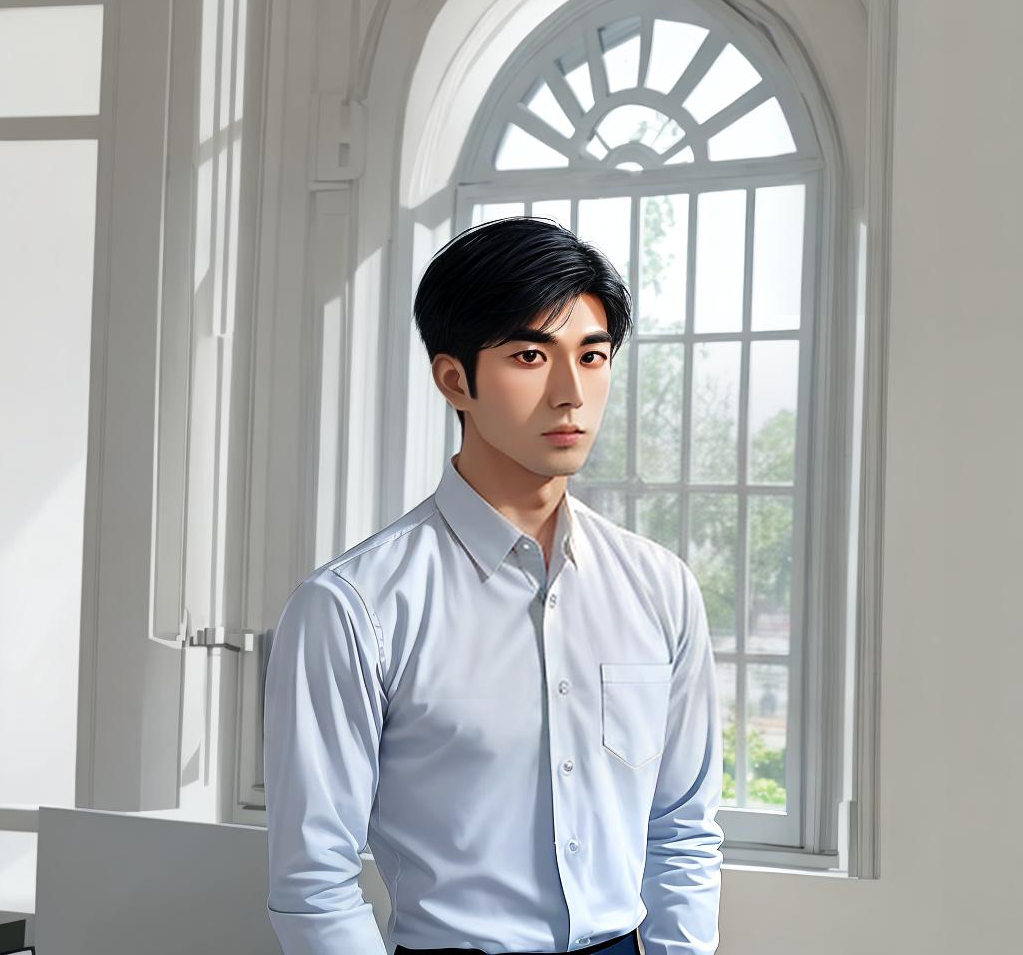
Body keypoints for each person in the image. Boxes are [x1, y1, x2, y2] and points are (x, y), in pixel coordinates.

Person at [263, 216, 724, 955]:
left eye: (593, 355)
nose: (571, 392)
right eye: (530, 355)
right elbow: (313, 879)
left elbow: (683, 829)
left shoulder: (660, 588)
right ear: (455, 379)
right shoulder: (354, 608)